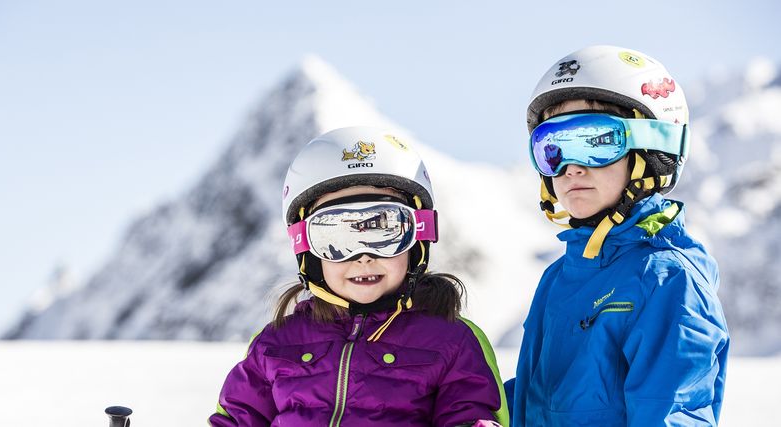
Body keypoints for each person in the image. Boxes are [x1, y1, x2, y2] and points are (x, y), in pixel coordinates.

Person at [209, 126, 510, 427]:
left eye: (386, 229)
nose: (364, 256)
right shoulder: (274, 343)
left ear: (417, 238)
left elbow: (471, 413)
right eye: (336, 235)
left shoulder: (453, 341)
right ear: (307, 249)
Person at [507, 45, 729, 426]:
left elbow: (673, 414)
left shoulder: (667, 280)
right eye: (553, 148)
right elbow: (538, 398)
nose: (571, 168)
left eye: (596, 142)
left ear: (651, 151)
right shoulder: (560, 276)